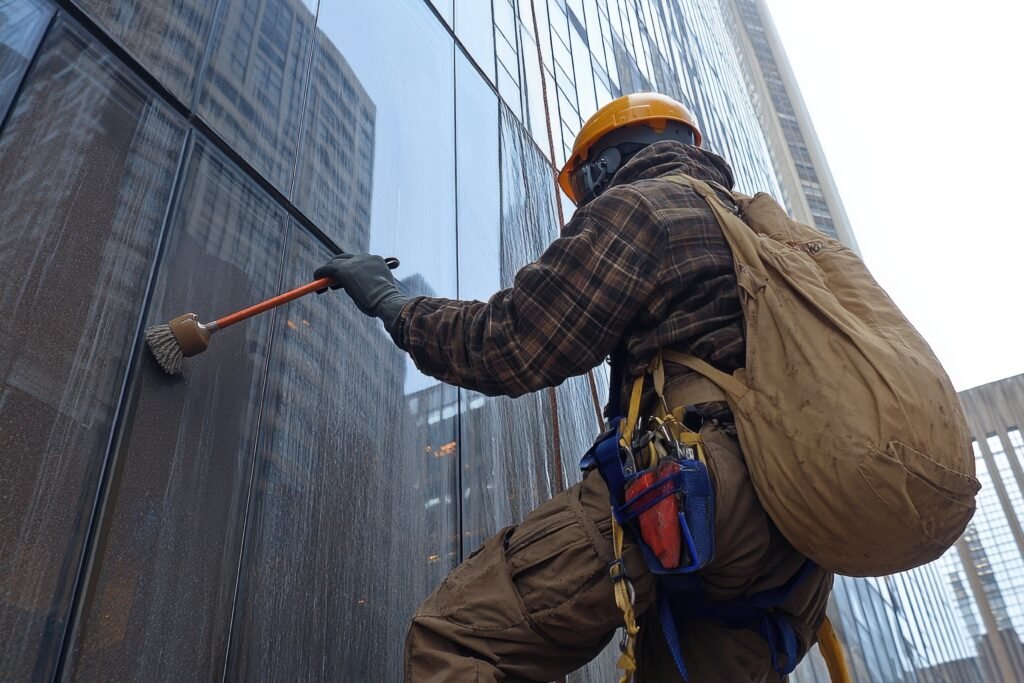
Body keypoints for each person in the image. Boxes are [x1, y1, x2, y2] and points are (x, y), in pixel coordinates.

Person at [314, 92, 833, 682]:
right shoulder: (768, 236)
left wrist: (395, 305)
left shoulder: (646, 207)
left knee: (461, 639)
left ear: (603, 168)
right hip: (795, 534)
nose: (583, 205)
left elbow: (508, 346)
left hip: (696, 485)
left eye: (585, 185)